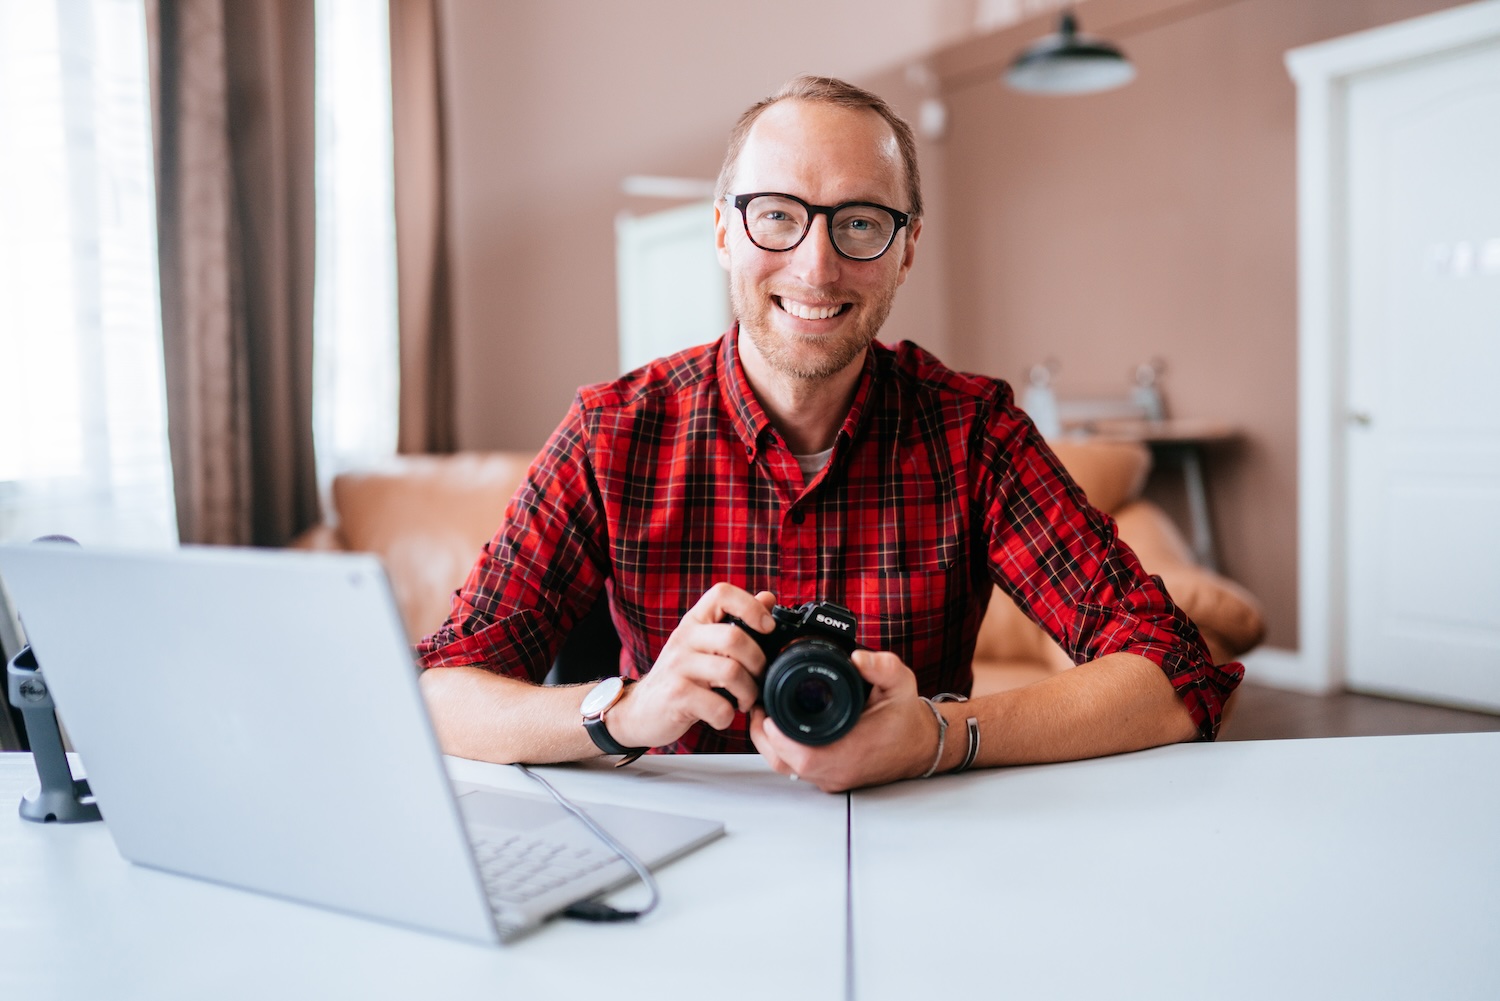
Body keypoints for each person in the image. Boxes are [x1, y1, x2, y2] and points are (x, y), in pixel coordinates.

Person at [417, 75, 1242, 792]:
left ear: (907, 247)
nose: (816, 266)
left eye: (858, 223)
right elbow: (442, 688)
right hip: (679, 847)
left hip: (921, 830)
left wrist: (938, 737)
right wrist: (628, 709)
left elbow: (1173, 673)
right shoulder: (612, 435)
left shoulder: (973, 432)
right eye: (777, 215)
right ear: (722, 231)